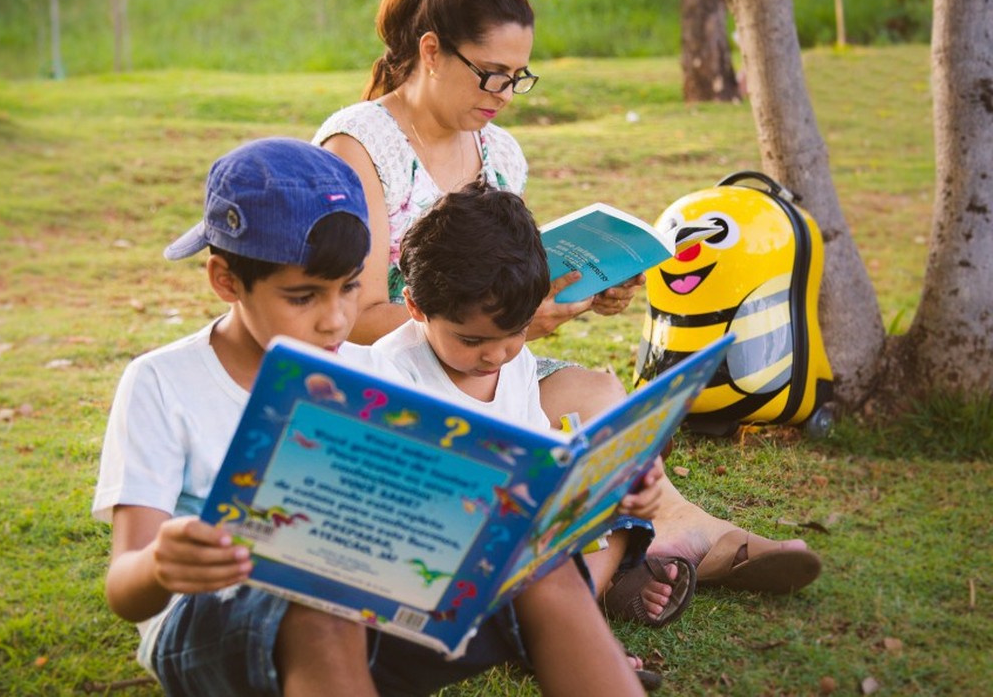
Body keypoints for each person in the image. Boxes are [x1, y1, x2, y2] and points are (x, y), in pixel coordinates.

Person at [312, 0, 821, 603]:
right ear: (432, 51)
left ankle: (664, 532)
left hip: (477, 359)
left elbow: (498, 284)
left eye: (517, 77)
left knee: (602, 398)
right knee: (546, 435)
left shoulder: (498, 153)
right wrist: (516, 322)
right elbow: (352, 315)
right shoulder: (360, 146)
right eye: (491, 73)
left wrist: (574, 292)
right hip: (388, 371)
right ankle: (628, 553)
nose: (503, 93)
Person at [92, 138, 645, 696]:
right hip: (218, 623)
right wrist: (163, 564)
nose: (336, 320)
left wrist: (584, 495)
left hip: (378, 606)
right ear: (226, 281)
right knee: (318, 602)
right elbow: (124, 588)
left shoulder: (370, 371)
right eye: (304, 296)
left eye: (351, 287)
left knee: (542, 566)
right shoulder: (163, 382)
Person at [374, 182, 690, 685]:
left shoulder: (514, 364)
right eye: (472, 340)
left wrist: (601, 477)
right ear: (414, 307)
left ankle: (566, 620)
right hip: (439, 558)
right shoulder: (391, 375)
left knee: (619, 511)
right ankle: (566, 632)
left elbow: (536, 446)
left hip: (519, 545)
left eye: (517, 332)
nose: (497, 355)